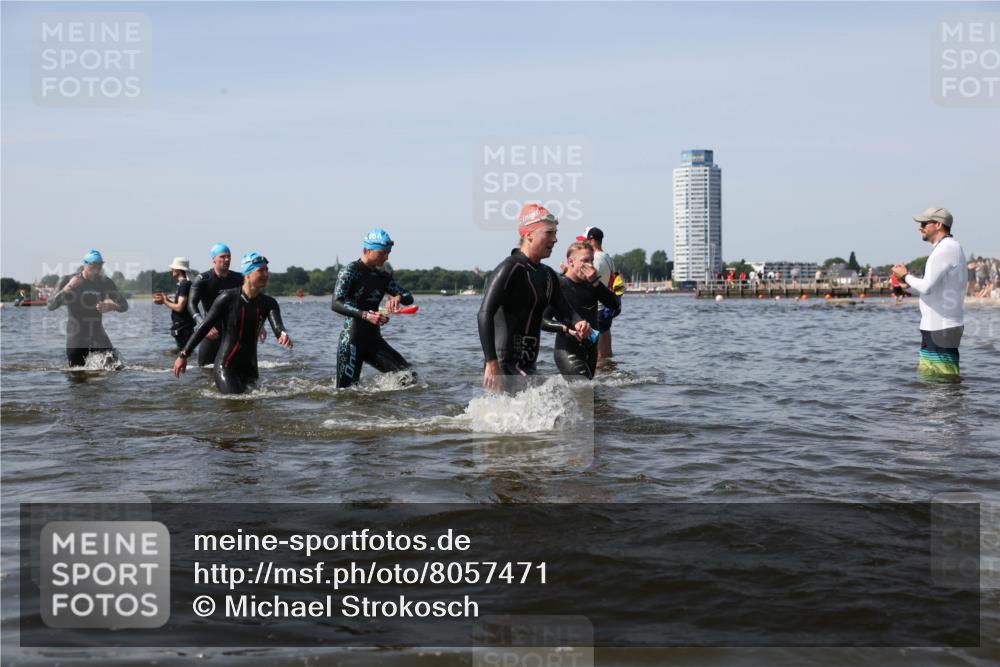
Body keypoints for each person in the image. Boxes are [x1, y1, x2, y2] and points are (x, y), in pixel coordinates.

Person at [478, 204, 590, 391]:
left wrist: (579, 322)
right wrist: (491, 362)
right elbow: (484, 314)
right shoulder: (510, 269)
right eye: (549, 233)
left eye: (555, 233)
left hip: (528, 366)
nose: (555, 239)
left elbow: (565, 310)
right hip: (504, 366)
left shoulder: (548, 275)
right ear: (529, 234)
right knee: (554, 399)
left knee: (557, 403)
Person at [174, 252, 292, 394]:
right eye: (261, 270)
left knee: (253, 408)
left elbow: (278, 326)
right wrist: (183, 355)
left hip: (250, 368)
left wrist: (283, 334)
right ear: (247, 274)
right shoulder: (227, 298)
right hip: (226, 366)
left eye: (267, 270)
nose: (266, 274)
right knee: (235, 402)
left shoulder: (269, 303)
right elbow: (203, 328)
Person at [331, 229, 415, 388]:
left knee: (409, 377)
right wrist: (366, 315)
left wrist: (397, 297)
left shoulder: (382, 277)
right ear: (367, 250)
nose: (386, 257)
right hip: (351, 342)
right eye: (382, 253)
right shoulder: (350, 271)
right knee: (345, 393)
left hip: (374, 341)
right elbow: (336, 303)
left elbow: (408, 297)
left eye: (388, 253)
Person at [892, 207, 967, 378]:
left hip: (941, 327)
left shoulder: (945, 249)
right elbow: (932, 289)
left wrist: (905, 275)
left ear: (939, 224)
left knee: (943, 382)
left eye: (924, 223)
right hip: (936, 326)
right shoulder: (948, 247)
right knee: (931, 380)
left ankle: (951, 405)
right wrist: (907, 285)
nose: (920, 227)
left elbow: (926, 286)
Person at [542, 242, 620, 379]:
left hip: (591, 350)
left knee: (590, 396)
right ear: (571, 262)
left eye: (591, 261)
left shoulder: (593, 284)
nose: (590, 266)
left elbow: (615, 306)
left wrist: (596, 282)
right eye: (584, 261)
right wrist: (566, 329)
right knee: (584, 390)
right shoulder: (559, 285)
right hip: (567, 349)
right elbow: (541, 321)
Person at [46, 249, 129, 366]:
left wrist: (112, 306)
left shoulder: (105, 282)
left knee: (115, 368)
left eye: (100, 264)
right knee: (77, 375)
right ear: (85, 264)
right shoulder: (67, 280)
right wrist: (67, 288)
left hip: (98, 334)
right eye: (94, 264)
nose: (98, 268)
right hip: (76, 336)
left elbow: (124, 306)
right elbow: (50, 305)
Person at [188, 243, 244, 366]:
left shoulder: (239, 278)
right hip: (211, 331)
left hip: (232, 331)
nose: (227, 259)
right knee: (204, 368)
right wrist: (202, 324)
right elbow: (191, 304)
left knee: (236, 368)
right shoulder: (203, 279)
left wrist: (259, 326)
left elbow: (250, 302)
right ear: (214, 259)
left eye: (229, 256)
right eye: (223, 257)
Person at [584, 226, 621, 360]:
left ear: (592, 240)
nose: (584, 244)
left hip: (598, 308)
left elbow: (589, 282)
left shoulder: (596, 259)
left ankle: (600, 369)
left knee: (597, 351)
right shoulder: (608, 258)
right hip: (607, 307)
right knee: (605, 336)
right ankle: (607, 367)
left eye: (586, 240)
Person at [154, 257, 196, 350]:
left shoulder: (184, 285)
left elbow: (180, 307)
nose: (171, 269)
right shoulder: (185, 284)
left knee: (182, 353)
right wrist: (166, 300)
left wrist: (165, 301)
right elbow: (181, 306)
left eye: (173, 268)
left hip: (183, 328)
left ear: (179, 270)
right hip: (185, 328)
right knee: (184, 353)